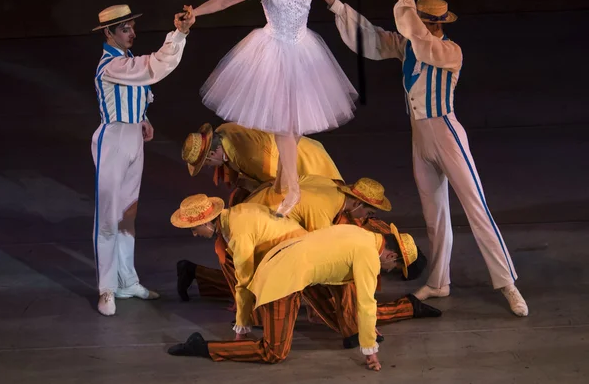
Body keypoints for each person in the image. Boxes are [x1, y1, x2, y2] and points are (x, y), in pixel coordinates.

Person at [319, 0, 528, 316]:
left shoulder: (449, 51)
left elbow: (420, 40)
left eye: (423, 21)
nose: (419, 24)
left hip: (447, 134)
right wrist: (335, 5)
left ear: (436, 24)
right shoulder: (409, 45)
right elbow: (371, 38)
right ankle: (438, 281)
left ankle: (508, 283)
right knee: (434, 214)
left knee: (477, 209)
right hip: (420, 139)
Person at [188, 0, 393, 217]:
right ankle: (293, 190)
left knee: (294, 128)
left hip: (303, 52)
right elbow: (226, 0)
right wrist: (195, 12)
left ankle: (283, 183)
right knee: (284, 125)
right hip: (273, 51)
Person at [168, 223, 439, 372]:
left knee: (336, 292)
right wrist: (370, 350)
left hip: (283, 265)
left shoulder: (359, 235)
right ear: (391, 256)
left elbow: (329, 275)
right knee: (273, 352)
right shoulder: (368, 256)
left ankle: (353, 331)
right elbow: (365, 304)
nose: (388, 273)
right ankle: (203, 347)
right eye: (393, 269)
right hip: (282, 278)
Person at [91, 4, 194, 316]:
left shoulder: (126, 60)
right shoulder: (111, 66)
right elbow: (153, 68)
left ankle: (127, 280)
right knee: (108, 216)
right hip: (113, 141)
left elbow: (138, 90)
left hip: (134, 137)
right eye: (125, 29)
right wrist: (179, 34)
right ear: (109, 33)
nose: (132, 33)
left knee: (128, 214)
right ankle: (106, 288)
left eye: (132, 27)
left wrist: (143, 118)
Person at [171, 194, 306, 333]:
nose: (194, 234)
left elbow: (245, 281)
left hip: (294, 254)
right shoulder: (232, 217)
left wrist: (242, 325)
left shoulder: (238, 233)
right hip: (280, 252)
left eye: (194, 229)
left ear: (205, 223)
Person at [181, 122, 343, 205]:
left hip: (303, 159)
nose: (210, 167)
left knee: (320, 197)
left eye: (206, 162)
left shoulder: (250, 157)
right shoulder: (223, 131)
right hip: (284, 151)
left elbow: (278, 182)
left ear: (212, 153)